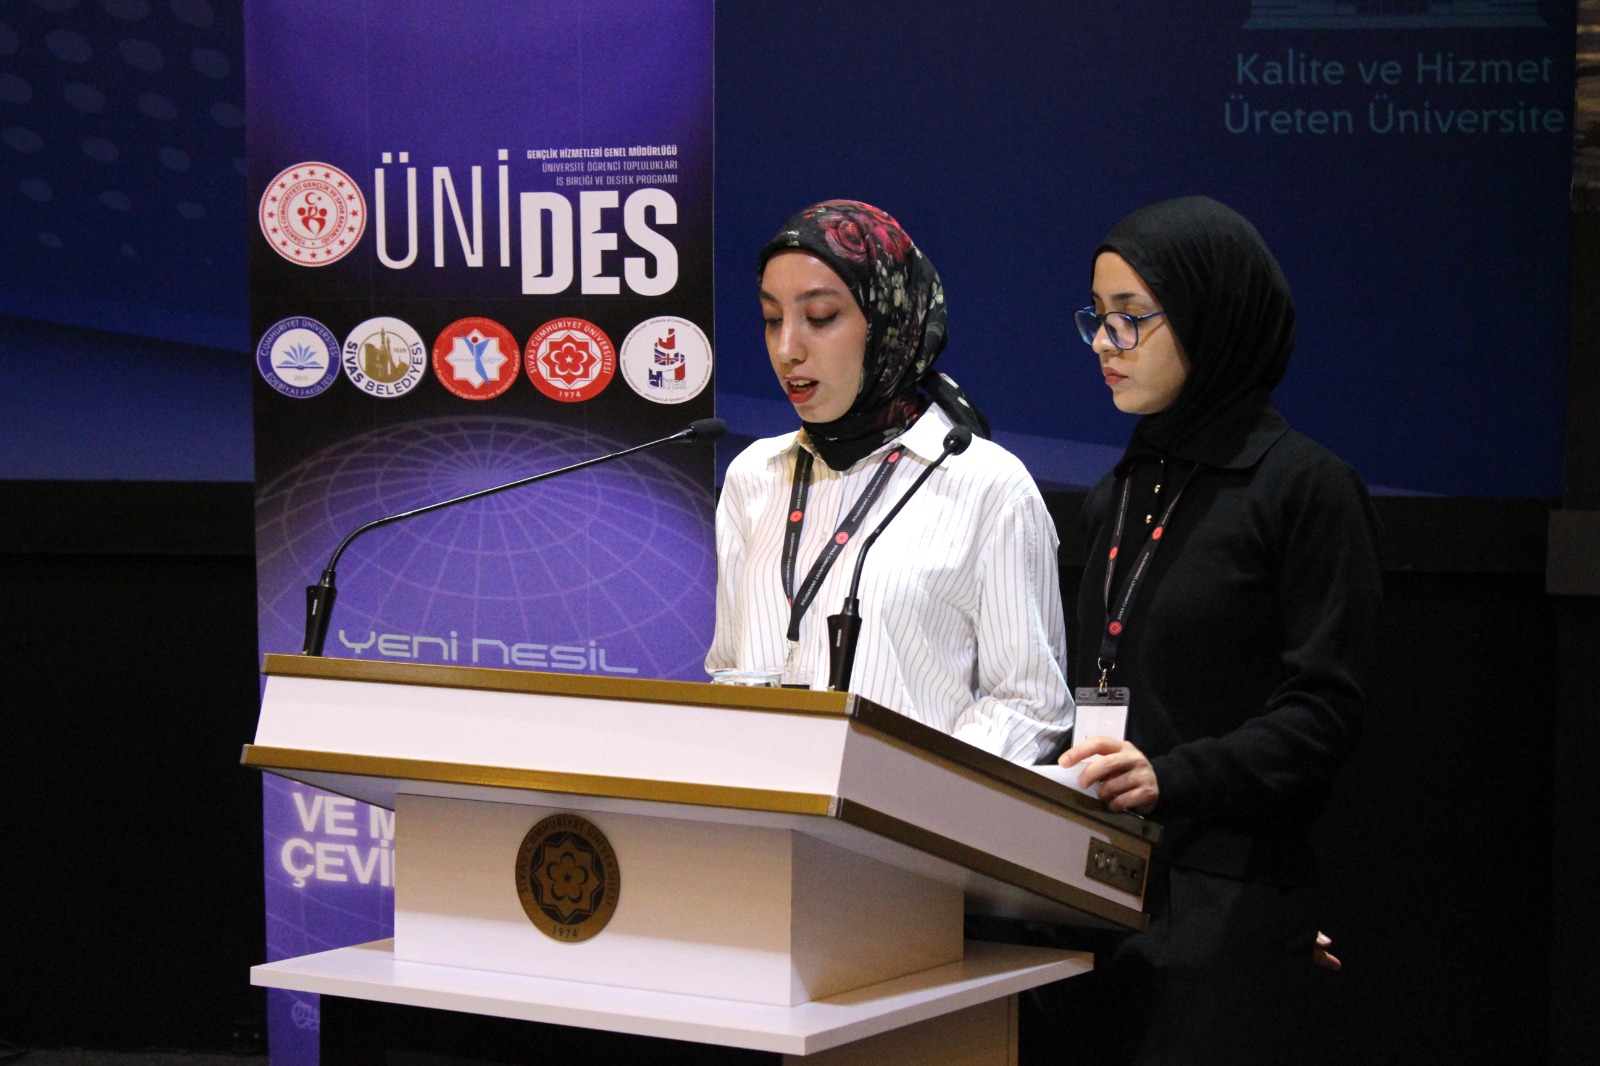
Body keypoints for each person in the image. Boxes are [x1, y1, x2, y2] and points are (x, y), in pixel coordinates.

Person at [1043, 196, 1382, 1065]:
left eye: (1131, 318)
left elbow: (1325, 711)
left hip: (1228, 906)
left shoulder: (1303, 487)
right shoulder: (1119, 492)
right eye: (1097, 316)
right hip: (1102, 893)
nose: (1104, 343)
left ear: (1210, 317)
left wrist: (1171, 776)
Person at [705, 199, 1071, 764]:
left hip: (912, 817)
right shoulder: (753, 477)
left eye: (820, 317)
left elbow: (1031, 705)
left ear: (889, 322)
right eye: (773, 319)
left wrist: (912, 790)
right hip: (765, 810)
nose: (787, 349)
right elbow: (729, 670)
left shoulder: (987, 487)